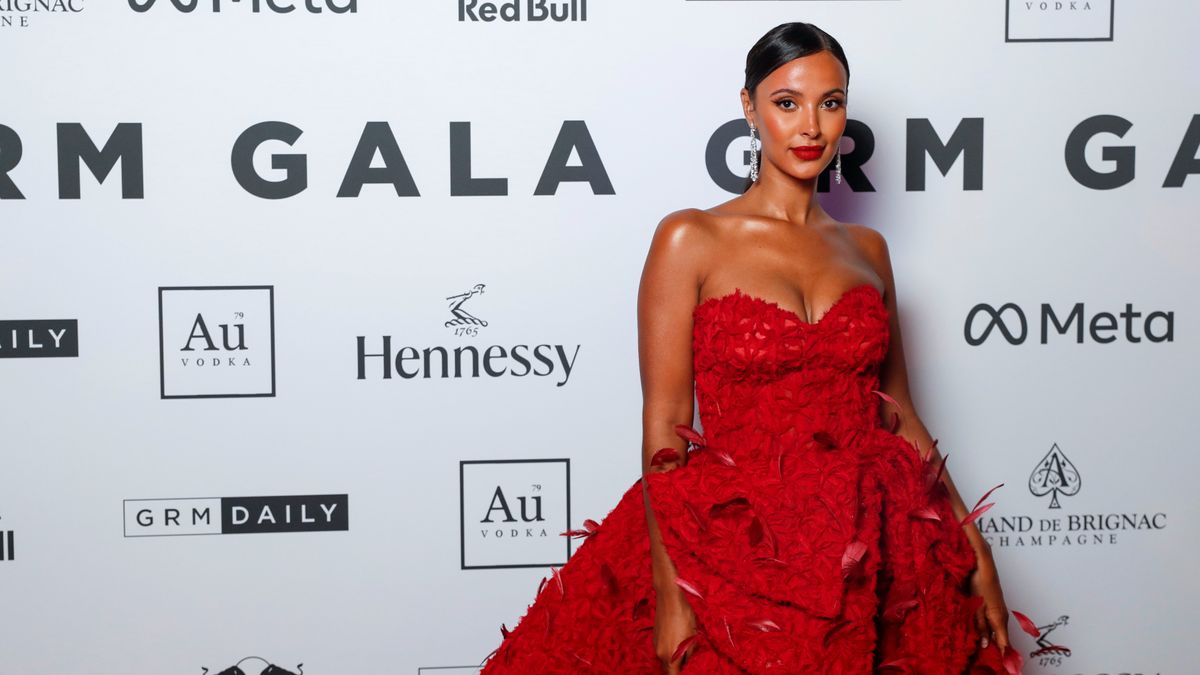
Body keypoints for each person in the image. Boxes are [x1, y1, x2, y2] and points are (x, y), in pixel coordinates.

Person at [479, 22, 1044, 674]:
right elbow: (664, 426)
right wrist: (672, 592)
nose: (811, 126)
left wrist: (975, 547)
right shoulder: (691, 238)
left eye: (830, 104)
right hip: (730, 547)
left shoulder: (868, 252)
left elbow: (902, 415)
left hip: (870, 547)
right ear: (748, 107)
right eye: (787, 102)